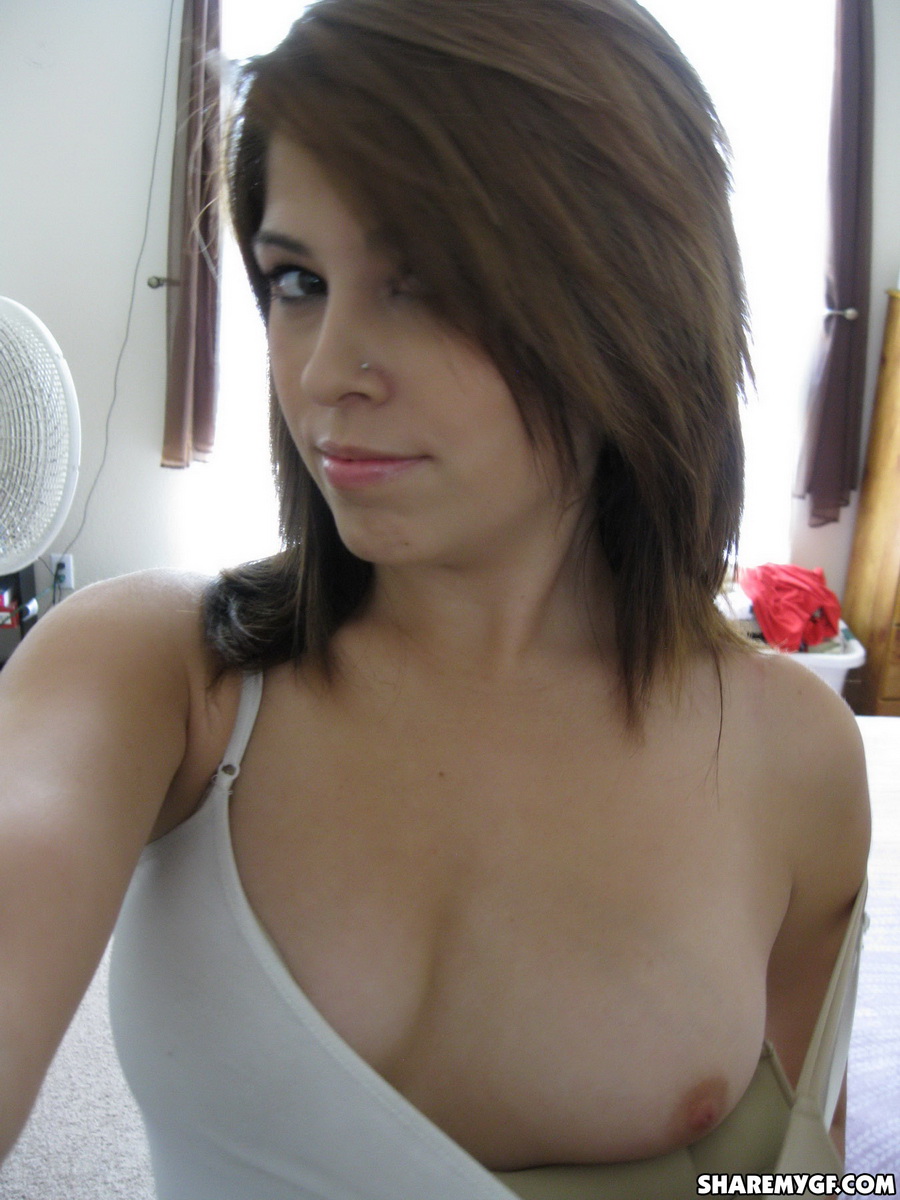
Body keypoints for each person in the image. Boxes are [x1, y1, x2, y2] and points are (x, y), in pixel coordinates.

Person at [0, 1, 869, 1197]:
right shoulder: (159, 671)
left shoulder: (792, 754)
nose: (324, 372)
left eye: (426, 283)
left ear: (635, 299)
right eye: (297, 280)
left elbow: (798, 1168)